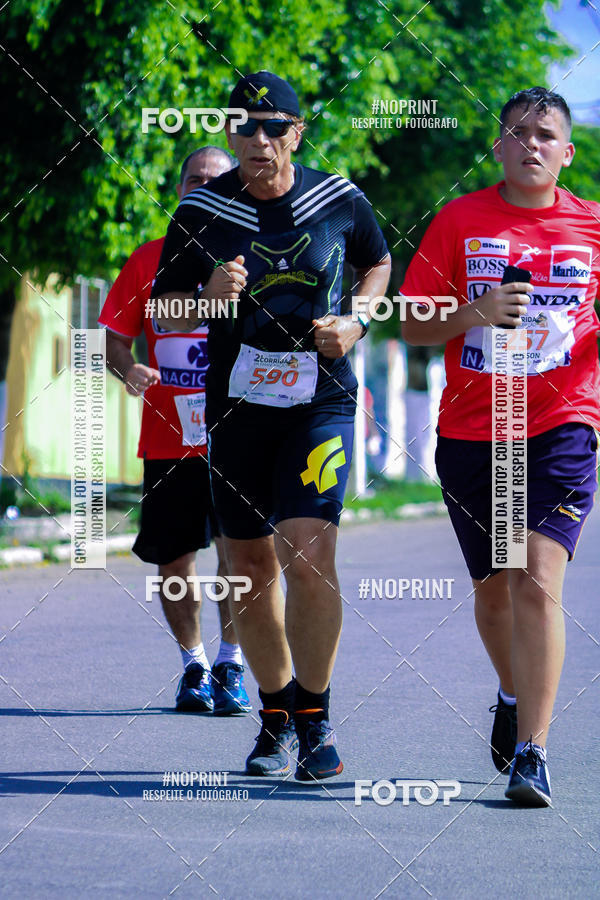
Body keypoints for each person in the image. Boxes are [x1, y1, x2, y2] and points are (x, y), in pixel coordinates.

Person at [153, 71, 391, 780]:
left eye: (274, 127)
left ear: (298, 132)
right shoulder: (201, 212)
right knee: (250, 570)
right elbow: (162, 311)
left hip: (321, 402)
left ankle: (315, 719)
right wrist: (205, 295)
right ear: (231, 133)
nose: (260, 140)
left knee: (310, 552)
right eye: (246, 127)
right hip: (237, 411)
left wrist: (357, 321)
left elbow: (379, 265)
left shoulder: (337, 198)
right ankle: (274, 714)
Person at [401, 87, 600, 806]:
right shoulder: (461, 219)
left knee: (536, 580)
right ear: (498, 148)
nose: (531, 144)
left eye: (545, 134)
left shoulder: (592, 226)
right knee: (493, 595)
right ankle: (512, 694)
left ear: (566, 151)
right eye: (516, 132)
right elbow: (414, 327)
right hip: (474, 431)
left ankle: (533, 753)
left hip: (560, 424)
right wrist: (476, 312)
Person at [99, 146, 251, 716]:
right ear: (180, 189)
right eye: (194, 180)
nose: (203, 189)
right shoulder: (148, 260)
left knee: (241, 554)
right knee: (176, 559)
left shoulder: (251, 261)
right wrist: (128, 364)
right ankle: (194, 666)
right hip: (169, 439)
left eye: (216, 181)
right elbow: (113, 336)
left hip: (240, 436)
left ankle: (233, 662)